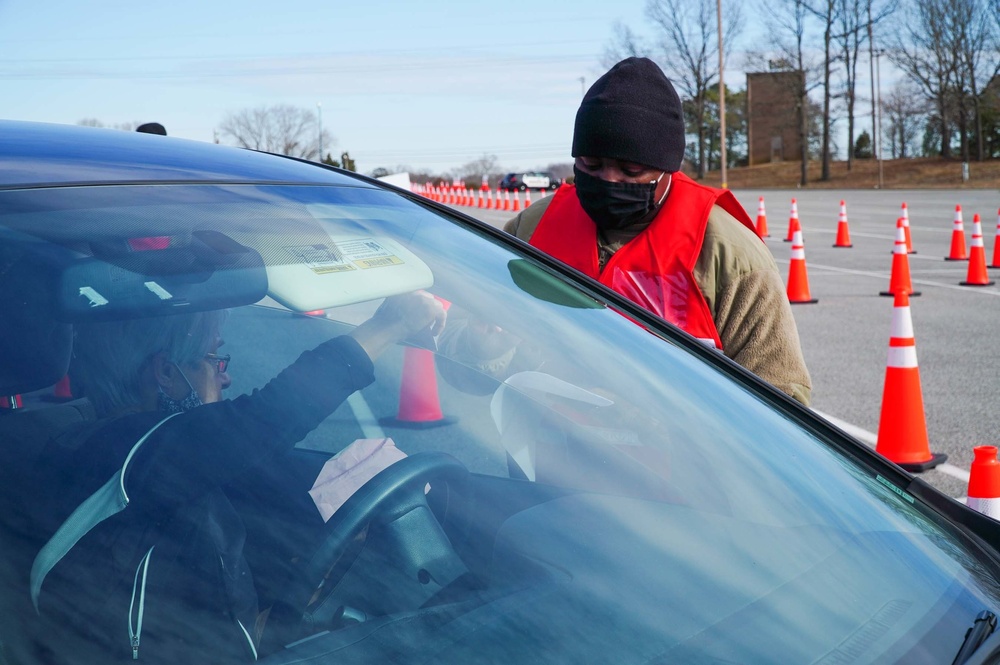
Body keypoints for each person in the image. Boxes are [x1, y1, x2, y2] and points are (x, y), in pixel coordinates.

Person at [16, 292, 445, 664]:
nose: (227, 375)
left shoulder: (129, 453)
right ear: (164, 373)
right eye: (213, 359)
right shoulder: (131, 453)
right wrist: (393, 323)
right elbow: (269, 416)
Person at [445, 57, 811, 406]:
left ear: (666, 168)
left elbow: (782, 402)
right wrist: (484, 346)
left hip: (675, 467)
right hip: (546, 457)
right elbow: (464, 370)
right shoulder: (533, 229)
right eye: (591, 163)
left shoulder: (727, 255)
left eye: (631, 170)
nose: (609, 179)